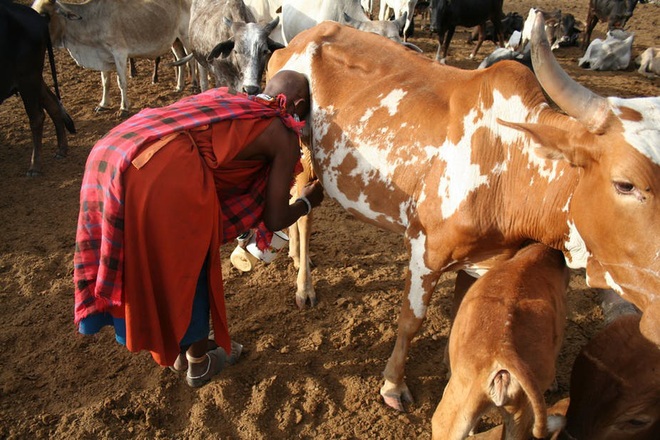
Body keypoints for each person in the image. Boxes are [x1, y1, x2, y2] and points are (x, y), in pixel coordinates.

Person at [73, 70, 324, 388]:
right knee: (190, 266)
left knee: (155, 260)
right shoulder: (283, 130)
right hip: (162, 179)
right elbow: (274, 219)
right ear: (299, 104)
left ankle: (178, 349)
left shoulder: (228, 99)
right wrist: (307, 202)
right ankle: (198, 362)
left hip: (115, 152)